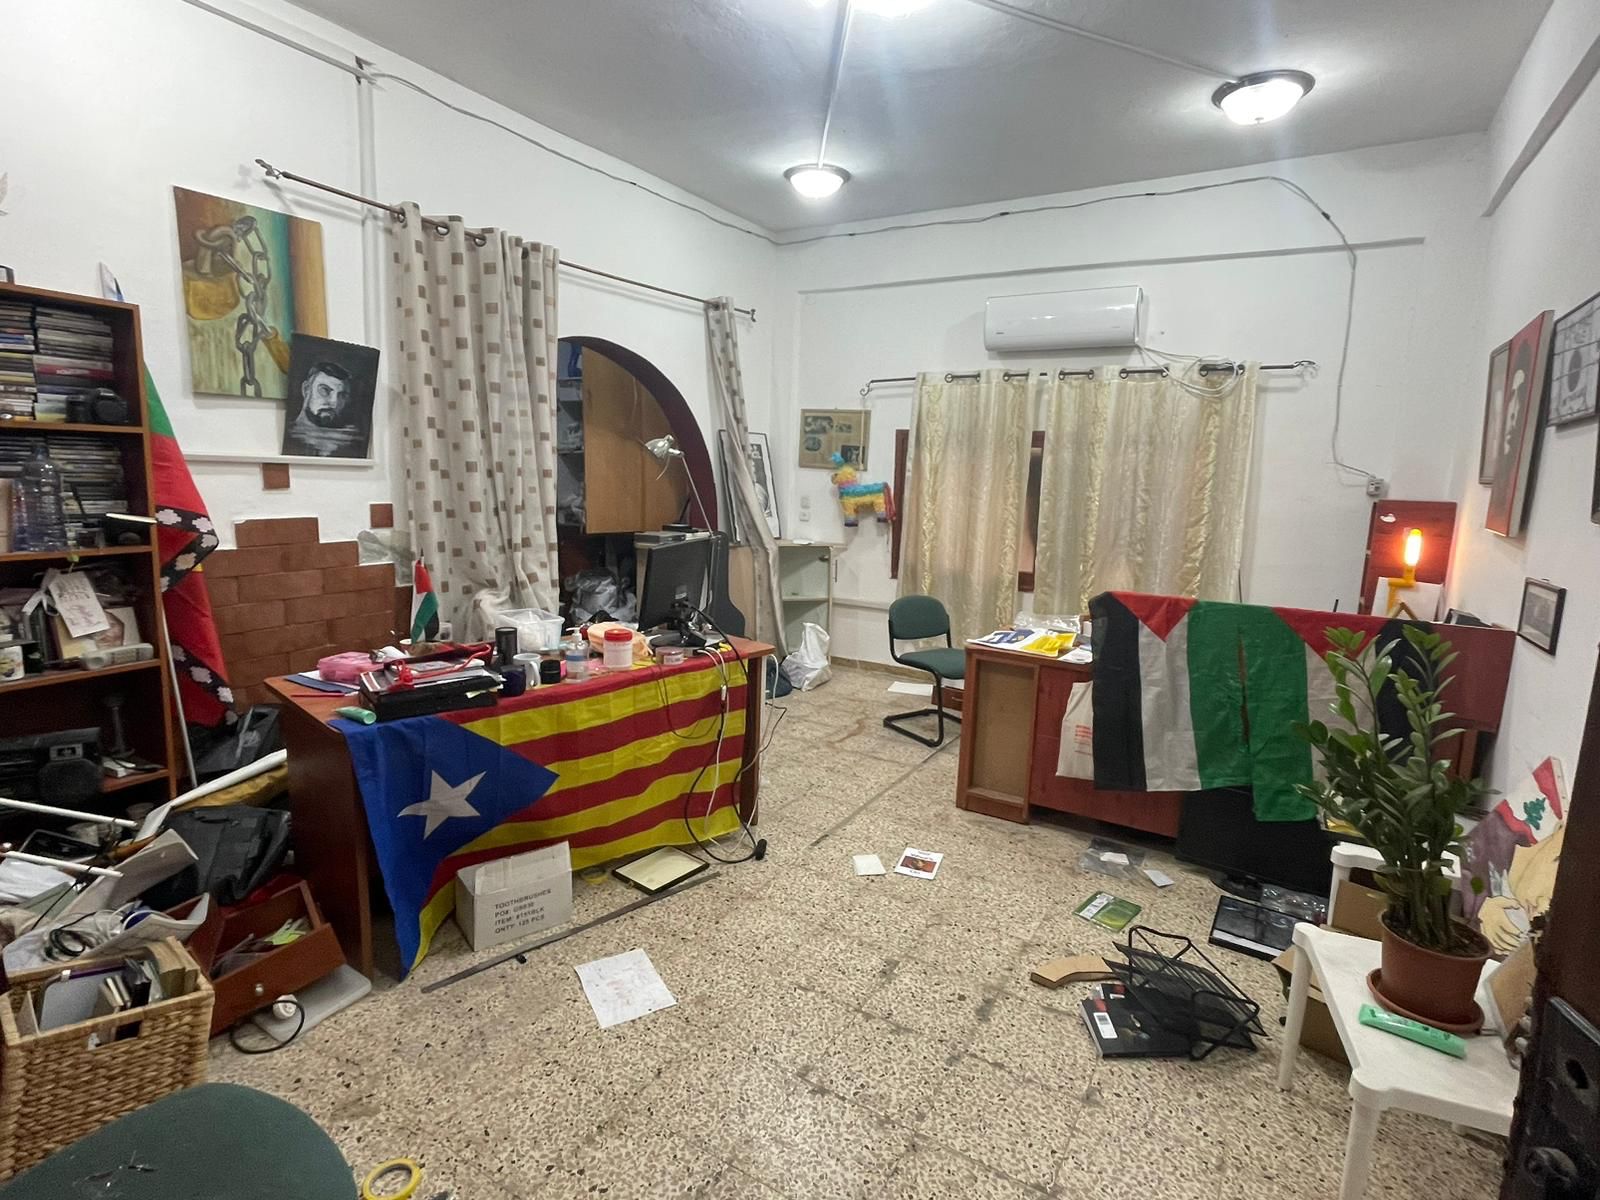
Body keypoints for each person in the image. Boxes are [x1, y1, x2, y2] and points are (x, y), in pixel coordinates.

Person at [284, 361, 366, 457]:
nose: (334, 402)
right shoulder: (289, 435)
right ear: (306, 389)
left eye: (342, 395)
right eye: (324, 390)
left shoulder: (353, 439)